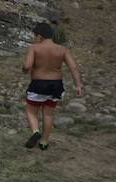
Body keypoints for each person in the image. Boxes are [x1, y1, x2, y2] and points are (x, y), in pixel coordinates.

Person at [21, 21, 83, 151]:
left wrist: (25, 69)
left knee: (31, 111)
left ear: (39, 36)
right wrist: (78, 85)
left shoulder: (34, 48)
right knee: (48, 114)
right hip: (56, 85)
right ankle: (44, 142)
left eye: (35, 37)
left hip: (38, 84)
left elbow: (27, 66)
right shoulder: (62, 49)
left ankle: (35, 131)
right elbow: (74, 67)